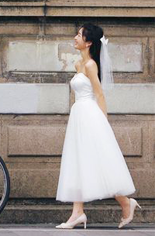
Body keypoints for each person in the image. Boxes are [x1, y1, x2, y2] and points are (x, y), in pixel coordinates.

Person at [56, 23, 139, 229]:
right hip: (79, 115)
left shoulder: (91, 65)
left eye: (79, 35)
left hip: (91, 115)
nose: (75, 38)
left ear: (89, 42)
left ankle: (126, 202)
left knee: (100, 161)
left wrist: (103, 122)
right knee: (79, 161)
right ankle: (77, 212)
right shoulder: (78, 65)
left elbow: (99, 94)